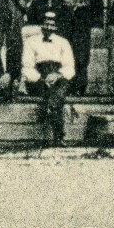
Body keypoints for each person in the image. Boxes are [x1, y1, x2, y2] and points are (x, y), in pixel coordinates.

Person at [28, 0, 96, 94]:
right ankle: (65, 85)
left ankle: (80, 86)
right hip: (65, 14)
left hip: (82, 15)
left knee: (82, 51)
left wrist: (88, 9)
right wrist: (30, 1)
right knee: (66, 49)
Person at [21, 9, 76, 146]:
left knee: (61, 86)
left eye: (52, 25)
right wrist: (41, 79)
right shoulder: (30, 41)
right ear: (41, 25)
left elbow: (69, 67)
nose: (49, 28)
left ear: (56, 27)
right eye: (46, 24)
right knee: (57, 94)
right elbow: (27, 66)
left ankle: (50, 109)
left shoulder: (63, 42)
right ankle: (59, 136)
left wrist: (57, 75)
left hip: (58, 78)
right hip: (38, 79)